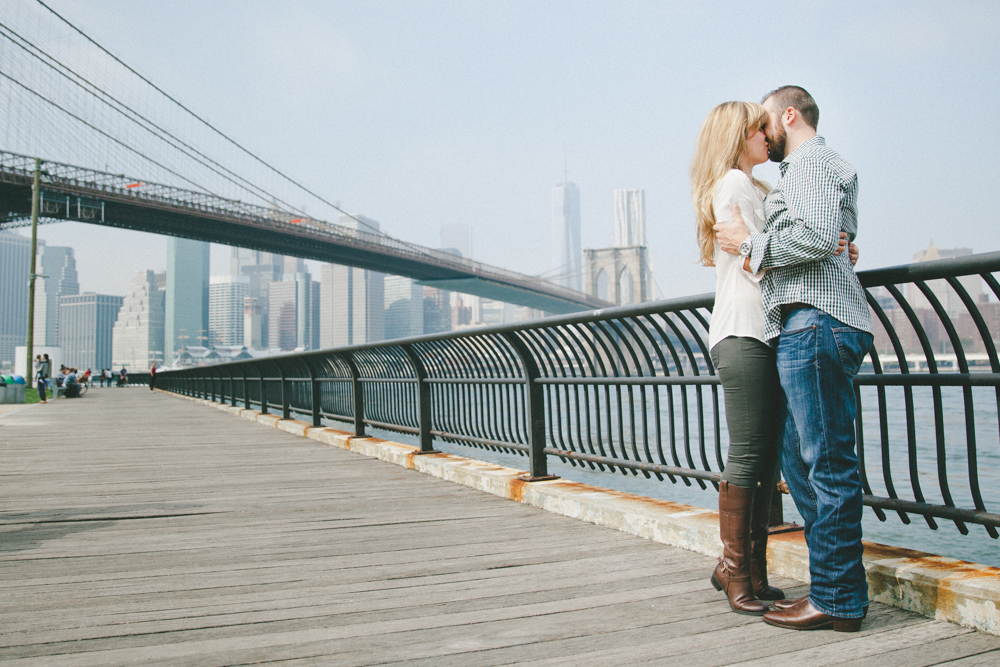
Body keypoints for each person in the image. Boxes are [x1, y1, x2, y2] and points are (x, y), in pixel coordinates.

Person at [715, 86, 873, 632]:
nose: (761, 132)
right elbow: (838, 232)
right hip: (810, 323)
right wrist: (841, 241)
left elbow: (822, 234)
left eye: (765, 121)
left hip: (817, 321)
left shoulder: (807, 165)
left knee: (825, 466)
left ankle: (838, 598)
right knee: (801, 462)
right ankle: (836, 584)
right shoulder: (819, 169)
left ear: (788, 115)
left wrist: (748, 245)